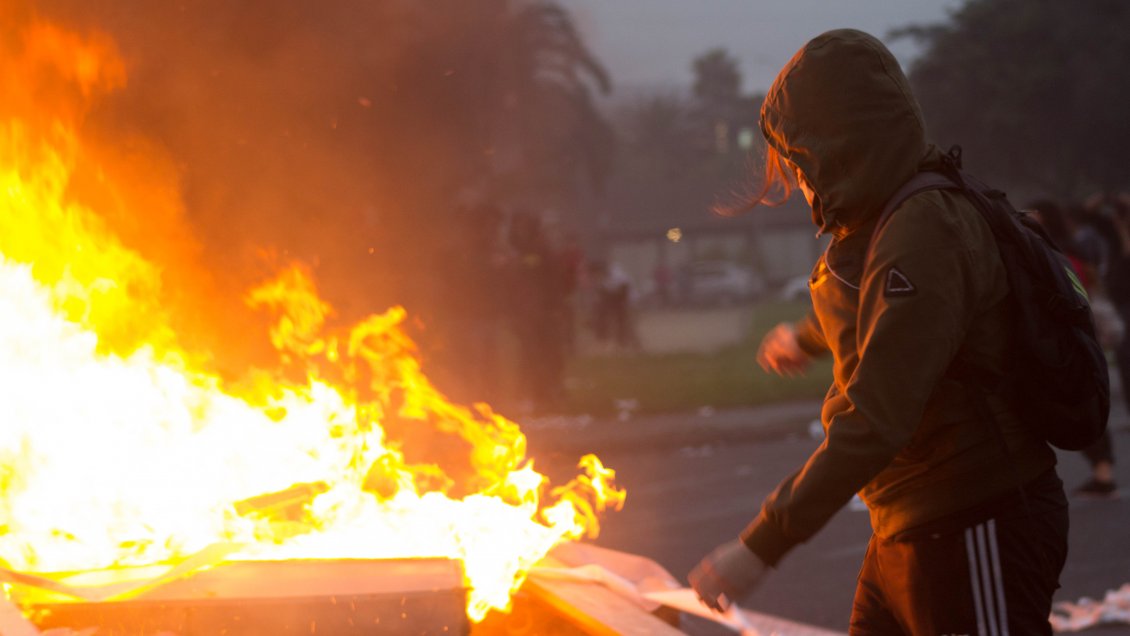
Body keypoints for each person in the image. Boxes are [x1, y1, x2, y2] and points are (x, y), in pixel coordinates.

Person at [689, 30, 1069, 634]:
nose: (801, 186)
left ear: (840, 148)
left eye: (801, 164)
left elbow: (877, 416)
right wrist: (805, 337)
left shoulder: (925, 229)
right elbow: (881, 310)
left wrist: (760, 544)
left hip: (975, 524)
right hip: (908, 526)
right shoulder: (893, 223)